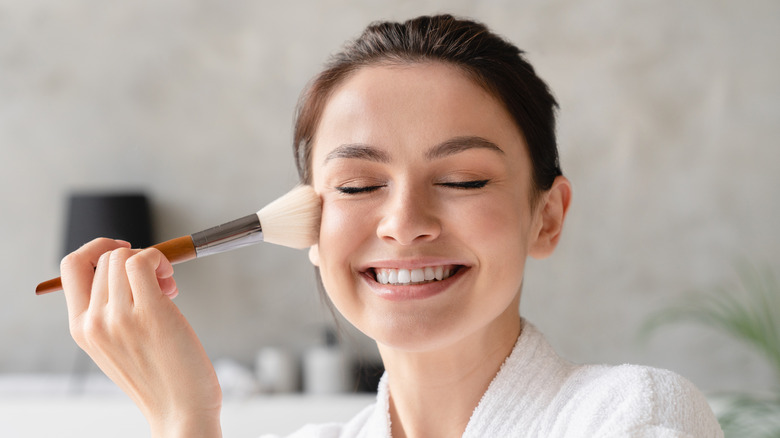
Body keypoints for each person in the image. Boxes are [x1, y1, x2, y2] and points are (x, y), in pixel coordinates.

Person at [60, 14, 723, 438]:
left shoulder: (633, 414)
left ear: (546, 217)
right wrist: (182, 420)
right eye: (357, 186)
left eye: (463, 180)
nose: (404, 224)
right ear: (311, 228)